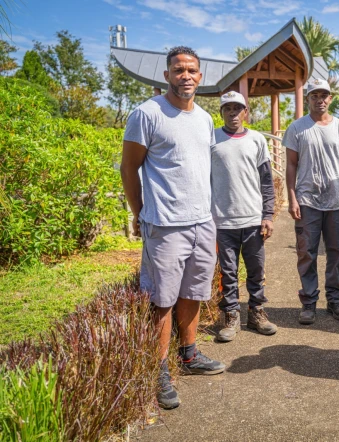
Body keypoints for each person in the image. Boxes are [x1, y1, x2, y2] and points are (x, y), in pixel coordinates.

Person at [121, 46, 224, 410]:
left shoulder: (205, 119)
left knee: (194, 292)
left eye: (192, 70)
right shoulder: (147, 114)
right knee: (161, 300)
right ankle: (160, 369)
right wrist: (139, 212)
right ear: (166, 75)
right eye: (178, 70)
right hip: (164, 225)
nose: (186, 76)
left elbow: (201, 169)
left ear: (200, 76)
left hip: (201, 222)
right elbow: (129, 168)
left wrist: (211, 218)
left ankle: (190, 354)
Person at [282, 78, 339, 325]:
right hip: (307, 200)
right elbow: (291, 164)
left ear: (331, 98)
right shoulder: (297, 128)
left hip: (336, 200)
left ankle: (335, 300)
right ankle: (309, 302)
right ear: (308, 98)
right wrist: (292, 197)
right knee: (307, 252)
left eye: (324, 95)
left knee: (336, 251)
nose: (320, 99)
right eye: (315, 95)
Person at [212, 91, 278, 342]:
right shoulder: (212, 139)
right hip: (222, 220)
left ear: (245, 112)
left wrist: (268, 214)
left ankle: (256, 312)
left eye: (237, 108)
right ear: (221, 112)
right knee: (227, 272)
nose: (233, 113)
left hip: (252, 219)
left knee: (256, 270)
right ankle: (230, 315)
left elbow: (266, 181)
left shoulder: (257, 140)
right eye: (227, 108)